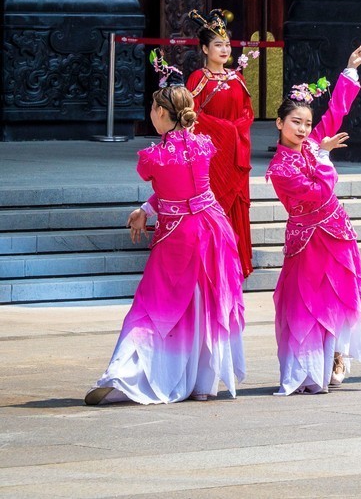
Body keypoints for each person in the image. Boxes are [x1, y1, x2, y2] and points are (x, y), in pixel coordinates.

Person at [86, 54, 245, 405]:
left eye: (152, 108)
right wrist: (146, 209)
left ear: (161, 112)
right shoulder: (204, 146)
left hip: (179, 235)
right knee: (203, 306)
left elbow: (168, 189)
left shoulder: (152, 157)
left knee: (151, 305)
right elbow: (182, 190)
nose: (150, 113)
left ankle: (125, 375)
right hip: (212, 228)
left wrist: (147, 208)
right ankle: (203, 383)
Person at [266, 45, 361, 394]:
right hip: (307, 241)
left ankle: (338, 354)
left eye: (307, 124)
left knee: (340, 296)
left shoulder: (313, 144)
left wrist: (350, 70)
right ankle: (310, 364)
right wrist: (324, 156)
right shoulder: (280, 168)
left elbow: (336, 111)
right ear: (279, 123)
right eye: (295, 122)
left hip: (337, 234)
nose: (303, 129)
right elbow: (317, 192)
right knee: (308, 301)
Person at [186, 9, 255, 277]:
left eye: (227, 44)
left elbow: (247, 113)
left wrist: (234, 130)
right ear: (205, 49)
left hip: (235, 150)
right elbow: (191, 115)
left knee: (234, 203)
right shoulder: (198, 78)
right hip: (211, 154)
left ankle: (235, 262)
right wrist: (225, 130)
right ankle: (211, 263)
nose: (225, 49)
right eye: (218, 45)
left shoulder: (237, 77)